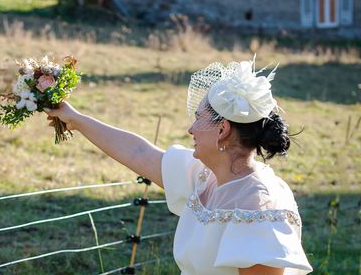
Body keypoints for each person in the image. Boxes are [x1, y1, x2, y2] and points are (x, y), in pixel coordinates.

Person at [46, 59, 312, 275]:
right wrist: (76, 120)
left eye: (198, 119)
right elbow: (139, 153)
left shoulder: (259, 207)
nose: (190, 129)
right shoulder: (206, 174)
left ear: (222, 129)